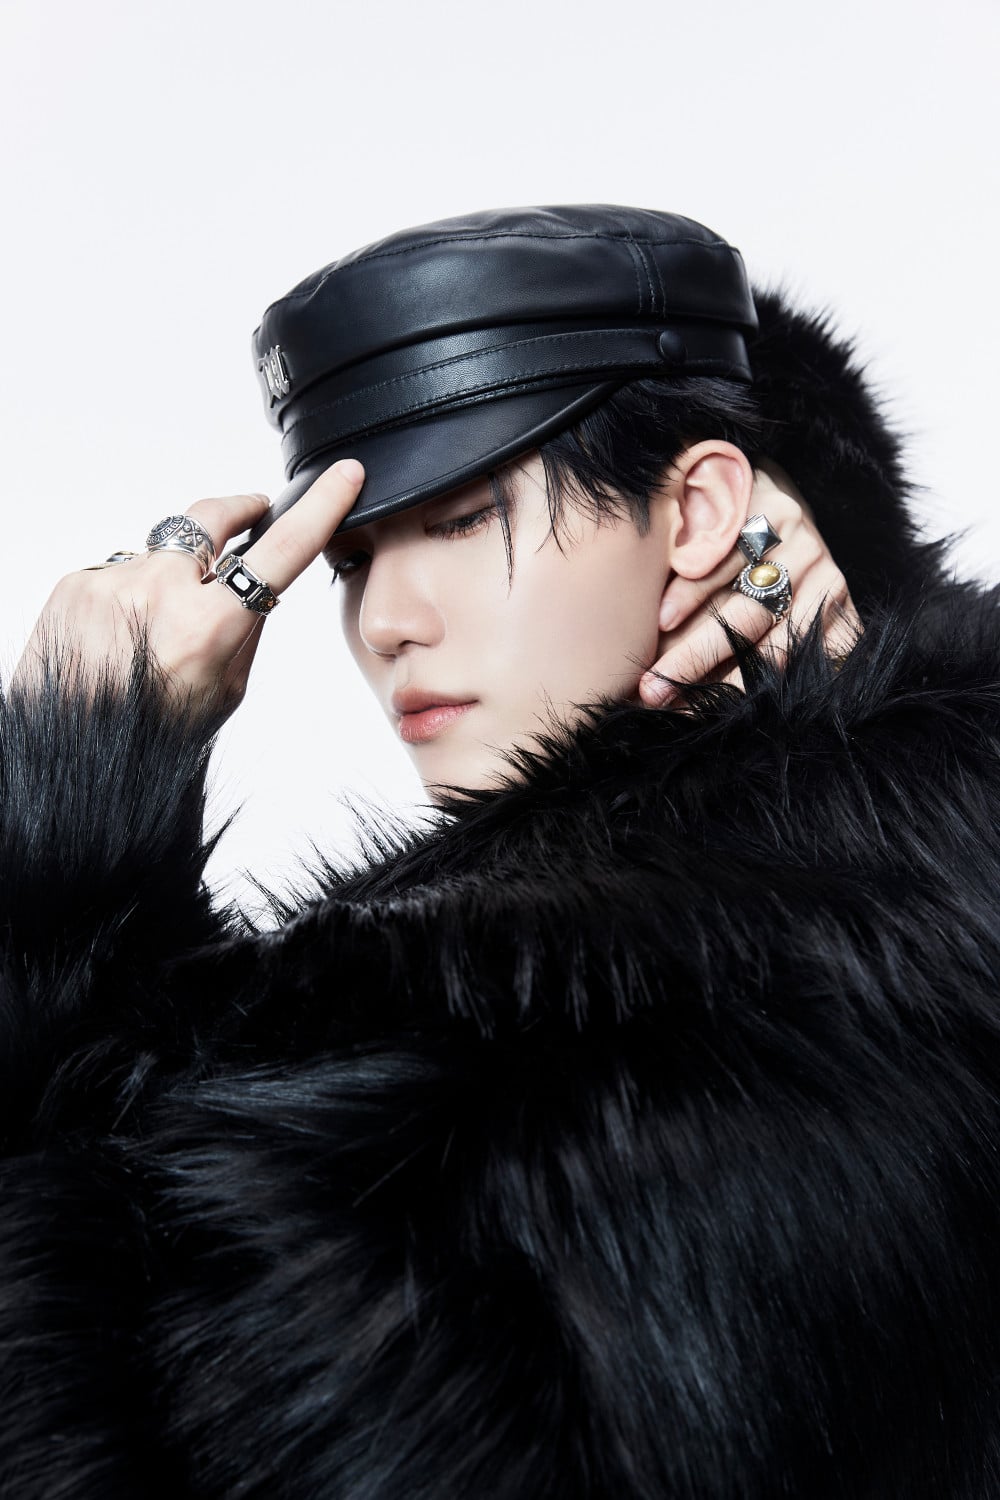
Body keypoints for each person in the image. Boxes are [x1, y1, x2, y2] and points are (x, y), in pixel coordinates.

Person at [2, 205, 999, 1498]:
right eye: (352, 559)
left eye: (464, 518)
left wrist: (64, 832)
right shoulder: (901, 911)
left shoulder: (600, 1085)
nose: (388, 622)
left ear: (701, 510)